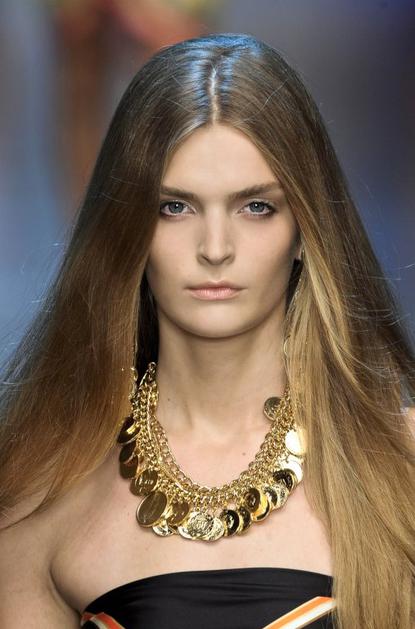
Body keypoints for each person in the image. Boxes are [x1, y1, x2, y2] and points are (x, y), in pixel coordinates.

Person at [0, 32, 414, 629]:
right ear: (127, 232)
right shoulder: (41, 498)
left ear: (305, 231)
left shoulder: (401, 469)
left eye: (256, 207)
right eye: (175, 207)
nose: (215, 249)